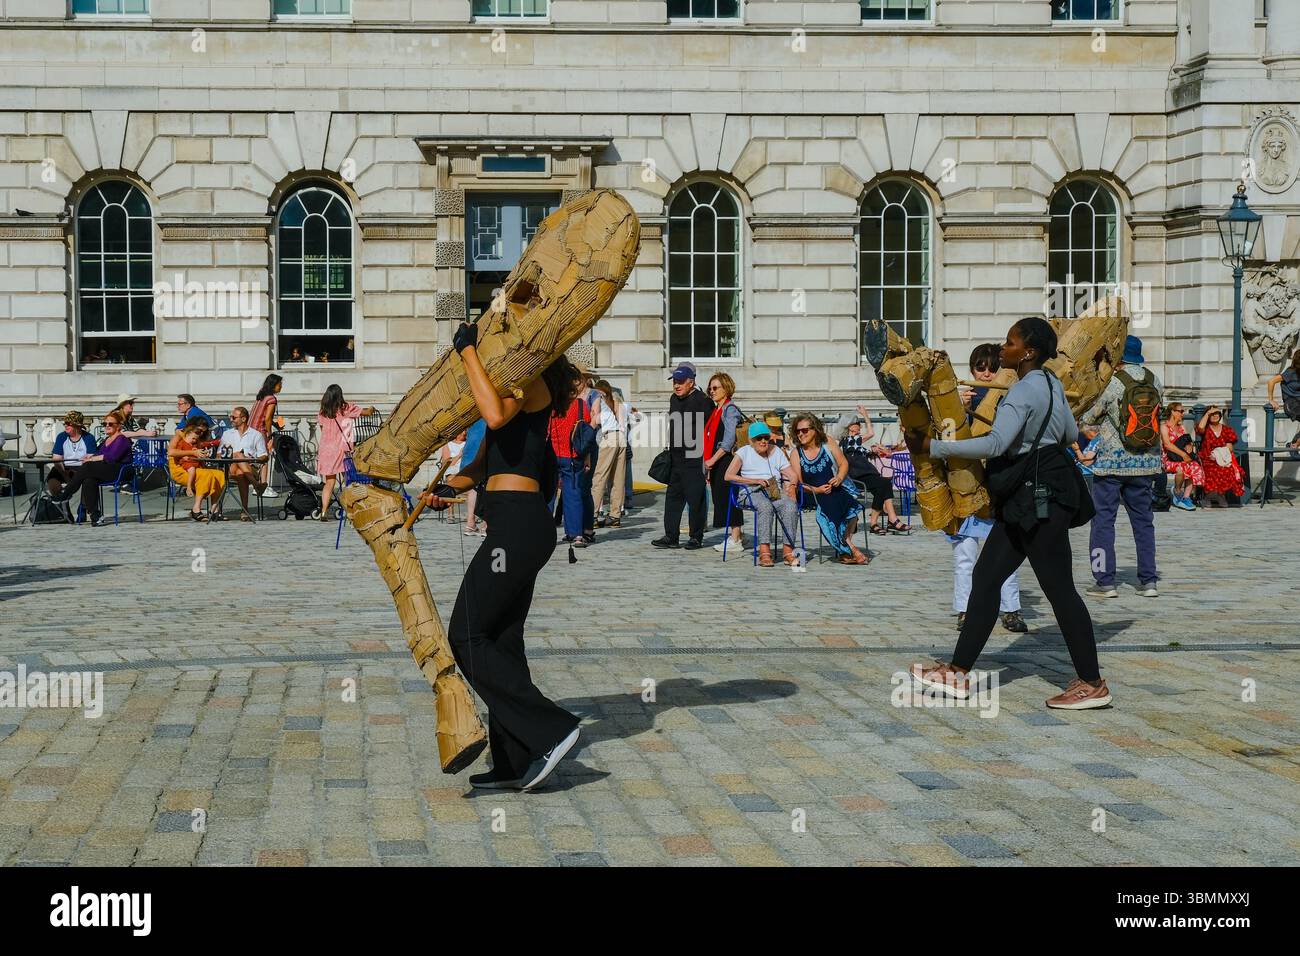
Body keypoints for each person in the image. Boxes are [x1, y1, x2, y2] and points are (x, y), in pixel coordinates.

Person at [906, 316, 1107, 710]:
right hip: (1039, 493)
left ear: (1029, 352)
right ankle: (958, 673)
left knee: (1059, 590)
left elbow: (996, 445)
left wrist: (935, 447)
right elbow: (1068, 434)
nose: (1003, 348)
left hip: (1037, 499)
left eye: (1011, 343)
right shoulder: (1050, 384)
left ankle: (1092, 682)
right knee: (986, 578)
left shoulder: (1020, 391)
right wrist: (1038, 438)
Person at [418, 320, 582, 792]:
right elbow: (482, 467)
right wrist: (446, 489)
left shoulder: (528, 386)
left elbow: (490, 415)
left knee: (465, 633)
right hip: (514, 523)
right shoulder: (512, 393)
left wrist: (467, 352)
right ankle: (513, 759)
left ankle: (551, 729)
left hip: (518, 529)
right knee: (502, 641)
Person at [1079, 334, 1163, 599]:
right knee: (1144, 523)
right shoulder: (1154, 380)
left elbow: (1090, 417)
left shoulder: (1112, 383)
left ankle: (1104, 581)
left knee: (1103, 522)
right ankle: (1148, 581)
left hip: (1111, 465)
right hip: (1146, 463)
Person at [789, 413, 869, 565]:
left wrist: (839, 477)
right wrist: (817, 490)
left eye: (804, 430)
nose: (800, 434)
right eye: (798, 431)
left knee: (851, 506)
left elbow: (844, 464)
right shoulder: (796, 453)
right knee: (831, 505)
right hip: (810, 493)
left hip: (834, 488)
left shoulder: (828, 443)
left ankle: (844, 551)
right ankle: (852, 549)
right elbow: (799, 484)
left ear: (815, 430)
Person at [652, 363, 714, 550]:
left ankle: (696, 537)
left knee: (696, 499)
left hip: (695, 456)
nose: (676, 386)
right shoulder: (673, 399)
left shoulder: (703, 401)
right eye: (675, 382)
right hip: (676, 456)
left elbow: (711, 430)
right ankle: (671, 536)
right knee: (672, 497)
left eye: (680, 382)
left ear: (691, 382)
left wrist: (708, 459)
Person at [723, 422, 800, 567]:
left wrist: (792, 487)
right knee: (765, 506)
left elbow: (792, 474)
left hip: (773, 490)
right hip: (750, 491)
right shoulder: (744, 452)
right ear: (751, 441)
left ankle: (788, 552)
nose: (763, 441)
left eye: (766, 437)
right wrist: (754, 480)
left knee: (790, 505)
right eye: (759, 438)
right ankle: (764, 552)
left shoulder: (776, 451)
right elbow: (728, 476)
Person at [50, 411, 133, 526]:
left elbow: (112, 457)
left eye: (110, 424)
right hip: (108, 470)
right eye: (105, 424)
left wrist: (91, 459)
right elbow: (98, 455)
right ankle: (95, 516)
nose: (107, 426)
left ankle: (66, 493)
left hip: (121, 470)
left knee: (88, 466)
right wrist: (90, 457)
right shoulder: (106, 440)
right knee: (89, 480)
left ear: (118, 426)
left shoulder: (121, 439)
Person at [835, 406, 907, 534]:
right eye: (857, 423)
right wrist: (866, 415)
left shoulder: (850, 442)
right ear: (849, 426)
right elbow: (871, 433)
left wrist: (872, 451)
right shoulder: (850, 440)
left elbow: (861, 452)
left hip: (864, 474)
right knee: (884, 484)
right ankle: (887, 521)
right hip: (859, 475)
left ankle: (885, 521)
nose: (859, 425)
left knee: (883, 487)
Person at [549, 368, 595, 547]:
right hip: (573, 454)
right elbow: (584, 433)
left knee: (548, 496)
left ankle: (545, 533)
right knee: (572, 494)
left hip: (552, 454)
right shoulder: (581, 405)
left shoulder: (551, 404)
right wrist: (587, 456)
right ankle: (575, 534)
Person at [315, 384, 374, 521]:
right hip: (342, 450)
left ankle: (323, 512)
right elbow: (366, 412)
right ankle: (351, 509)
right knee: (349, 480)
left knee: (329, 483)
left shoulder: (323, 412)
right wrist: (371, 408)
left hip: (326, 450)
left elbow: (322, 428)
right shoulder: (345, 408)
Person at [702, 372, 745, 552]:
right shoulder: (716, 410)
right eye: (710, 388)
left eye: (715, 388)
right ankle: (736, 536)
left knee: (730, 498)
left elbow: (727, 441)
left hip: (727, 460)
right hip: (719, 461)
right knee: (722, 498)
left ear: (726, 388)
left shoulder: (730, 409)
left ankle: (736, 539)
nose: (712, 391)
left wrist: (712, 459)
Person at [167, 419, 225, 521]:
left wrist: (203, 455)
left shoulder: (196, 439)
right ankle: (196, 509)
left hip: (196, 466)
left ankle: (214, 509)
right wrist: (192, 453)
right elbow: (171, 452)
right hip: (181, 469)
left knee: (219, 474)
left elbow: (197, 454)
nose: (201, 433)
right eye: (199, 431)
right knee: (205, 475)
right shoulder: (179, 436)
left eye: (203, 432)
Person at [590, 379, 630, 528]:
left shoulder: (600, 401)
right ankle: (615, 515)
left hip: (610, 437)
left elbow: (596, 420)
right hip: (621, 438)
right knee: (618, 479)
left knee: (599, 476)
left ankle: (592, 515)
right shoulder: (617, 401)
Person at [219, 405, 269, 520]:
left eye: (234, 417)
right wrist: (235, 455)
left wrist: (249, 459)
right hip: (230, 468)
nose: (231, 419)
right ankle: (256, 487)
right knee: (237, 455)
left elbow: (264, 456)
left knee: (241, 473)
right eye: (231, 417)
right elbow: (218, 454)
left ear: (243, 419)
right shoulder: (227, 434)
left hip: (250, 467)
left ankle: (245, 509)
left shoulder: (256, 435)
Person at [1195, 404, 1244, 506]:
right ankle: (1210, 496)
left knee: (1227, 470)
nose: (1214, 416)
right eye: (1211, 414)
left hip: (1223, 458)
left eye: (1216, 413)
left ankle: (1219, 495)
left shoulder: (1226, 430)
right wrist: (1208, 412)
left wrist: (1218, 455)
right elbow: (1200, 428)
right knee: (1211, 469)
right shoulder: (1206, 429)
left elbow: (1230, 448)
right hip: (1207, 458)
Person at [440, 429, 485, 536]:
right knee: (453, 479)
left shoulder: (468, 442)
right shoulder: (449, 445)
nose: (464, 433)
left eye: (465, 431)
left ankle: (472, 522)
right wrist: (460, 454)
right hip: (454, 468)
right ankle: (453, 515)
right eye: (462, 431)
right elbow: (447, 463)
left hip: (465, 468)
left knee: (474, 486)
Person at [1160, 402, 1202, 511]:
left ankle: (1186, 497)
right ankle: (1177, 491)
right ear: (1172, 411)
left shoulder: (1181, 427)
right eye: (1181, 411)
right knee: (1181, 468)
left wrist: (1189, 445)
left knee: (1195, 467)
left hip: (1181, 458)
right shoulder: (1164, 426)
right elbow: (1167, 445)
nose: (1182, 413)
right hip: (1168, 459)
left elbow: (1187, 440)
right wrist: (1183, 454)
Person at [47, 410, 97, 498]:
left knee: (89, 479)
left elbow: (90, 460)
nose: (65, 425)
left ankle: (83, 506)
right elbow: (57, 459)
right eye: (65, 423)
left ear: (77, 425)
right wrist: (64, 474)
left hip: (82, 468)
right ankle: (61, 502)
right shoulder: (61, 437)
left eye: (69, 423)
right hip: (63, 467)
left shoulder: (89, 438)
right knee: (52, 478)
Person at [250, 374, 282, 498]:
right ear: (274, 385)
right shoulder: (271, 399)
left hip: (251, 428)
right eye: (279, 384)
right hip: (260, 430)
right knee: (264, 458)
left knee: (255, 458)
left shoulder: (261, 396)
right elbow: (267, 418)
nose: (281, 387)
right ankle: (264, 486)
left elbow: (262, 415)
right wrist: (269, 434)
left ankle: (256, 485)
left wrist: (275, 424)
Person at [1266, 348, 1300, 451]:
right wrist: (1271, 400)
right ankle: (1295, 443)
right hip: (1291, 404)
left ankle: (1295, 444)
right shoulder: (1290, 372)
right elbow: (1271, 381)